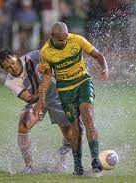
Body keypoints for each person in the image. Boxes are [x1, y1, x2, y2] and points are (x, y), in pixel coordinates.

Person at [34, 22, 108, 175]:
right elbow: (47, 77)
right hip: (65, 89)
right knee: (75, 128)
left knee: (88, 118)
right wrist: (41, 100)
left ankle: (95, 159)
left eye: (66, 38)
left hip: (83, 82)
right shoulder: (46, 52)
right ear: (52, 37)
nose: (64, 42)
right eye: (60, 40)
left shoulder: (77, 40)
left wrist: (104, 67)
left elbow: (98, 55)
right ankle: (77, 168)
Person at [0, 49, 71, 173]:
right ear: (4, 70)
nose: (13, 68)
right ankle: (29, 167)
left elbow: (55, 57)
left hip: (57, 96)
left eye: (13, 63)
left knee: (71, 137)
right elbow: (29, 98)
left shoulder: (34, 56)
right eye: (8, 67)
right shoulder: (10, 82)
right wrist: (40, 94)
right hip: (36, 101)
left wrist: (52, 67)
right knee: (23, 126)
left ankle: (62, 155)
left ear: (17, 57)